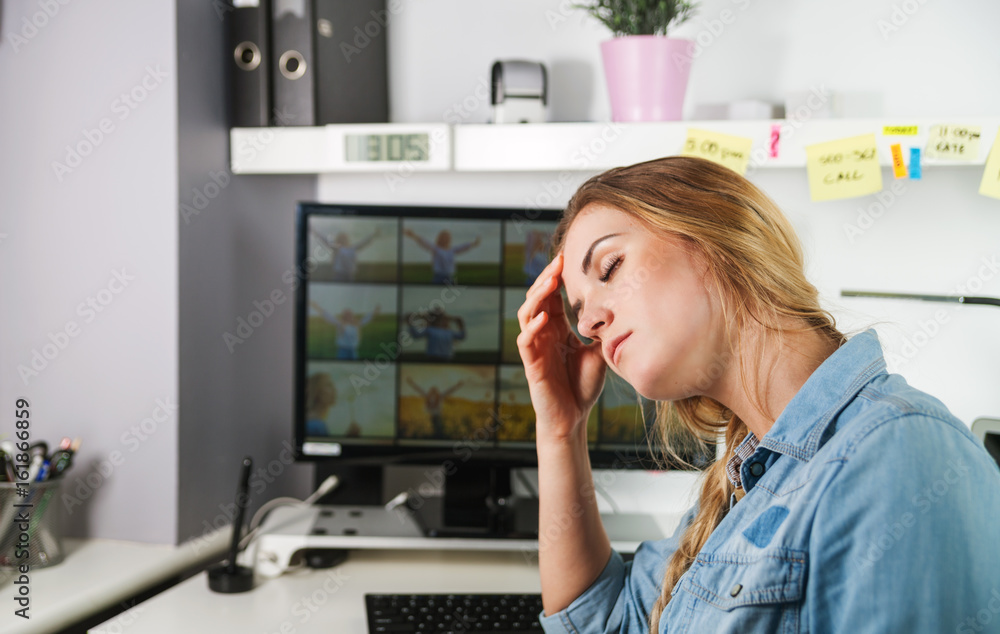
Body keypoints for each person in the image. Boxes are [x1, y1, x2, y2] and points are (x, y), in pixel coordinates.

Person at [516, 156, 1000, 633]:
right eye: (578, 311)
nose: (585, 324)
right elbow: (602, 621)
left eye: (611, 265)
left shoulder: (897, 455)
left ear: (713, 236)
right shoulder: (740, 490)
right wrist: (561, 430)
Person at [404, 228, 481, 284]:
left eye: (447, 237)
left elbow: (462, 247)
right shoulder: (436, 249)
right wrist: (413, 235)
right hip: (438, 277)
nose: (446, 239)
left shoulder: (452, 250)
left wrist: (473, 244)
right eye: (444, 237)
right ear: (440, 238)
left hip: (450, 278)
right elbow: (424, 242)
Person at [311, 301, 380, 360]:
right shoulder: (340, 323)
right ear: (344, 315)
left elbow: (367, 318)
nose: (348, 316)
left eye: (350, 314)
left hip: (353, 350)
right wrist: (317, 307)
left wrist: (375, 311)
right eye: (347, 314)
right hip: (342, 350)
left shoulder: (356, 324)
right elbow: (328, 316)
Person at [311, 226, 381, 282]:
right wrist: (314, 232)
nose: (344, 240)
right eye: (343, 238)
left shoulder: (352, 248)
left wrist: (373, 235)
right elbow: (325, 240)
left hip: (350, 275)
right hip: (340, 275)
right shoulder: (337, 248)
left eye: (345, 238)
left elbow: (364, 243)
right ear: (339, 240)